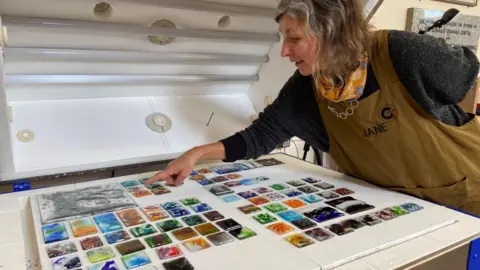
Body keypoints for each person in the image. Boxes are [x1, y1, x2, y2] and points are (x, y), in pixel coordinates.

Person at [146, 0, 480, 215]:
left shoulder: (401, 52)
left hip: (468, 195)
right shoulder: (307, 88)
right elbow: (260, 136)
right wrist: (195, 154)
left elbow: (465, 72)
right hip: (402, 207)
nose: (284, 52)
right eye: (283, 38)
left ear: (332, 31)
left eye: (294, 39)